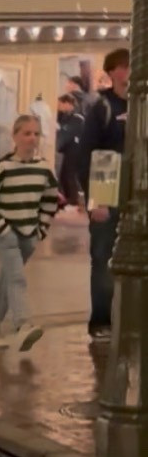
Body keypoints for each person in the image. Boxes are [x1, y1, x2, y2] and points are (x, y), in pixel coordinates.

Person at [0, 113, 59, 353]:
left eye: (36, 134)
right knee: (16, 278)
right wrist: (2, 229)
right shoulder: (2, 167)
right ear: (14, 136)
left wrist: (41, 229)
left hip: (29, 233)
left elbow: (50, 200)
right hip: (6, 232)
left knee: (8, 279)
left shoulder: (44, 169)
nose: (32, 138)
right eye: (26, 133)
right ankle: (23, 325)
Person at [79, 48, 131, 340]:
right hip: (107, 183)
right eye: (124, 66)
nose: (130, 71)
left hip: (137, 188)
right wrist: (95, 199)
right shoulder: (102, 107)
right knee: (103, 256)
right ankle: (101, 321)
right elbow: (87, 154)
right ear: (112, 72)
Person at [55, 91, 85, 207]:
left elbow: (66, 132)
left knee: (70, 174)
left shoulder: (77, 118)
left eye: (60, 104)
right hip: (69, 150)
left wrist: (58, 145)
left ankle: (73, 199)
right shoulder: (65, 116)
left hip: (75, 151)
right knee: (65, 175)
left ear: (68, 103)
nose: (58, 106)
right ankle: (70, 198)